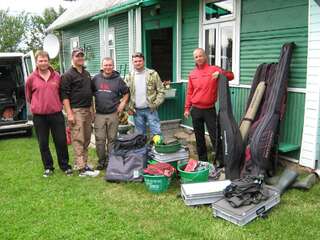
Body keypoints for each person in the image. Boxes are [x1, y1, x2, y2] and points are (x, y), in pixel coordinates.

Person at [25, 50, 72, 177]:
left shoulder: (57, 76)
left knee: (61, 141)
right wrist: (39, 105)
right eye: (40, 60)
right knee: (43, 142)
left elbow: (61, 94)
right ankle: (48, 167)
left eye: (45, 60)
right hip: (39, 117)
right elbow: (29, 96)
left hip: (56, 114)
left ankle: (65, 166)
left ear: (48, 61)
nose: (43, 63)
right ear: (37, 62)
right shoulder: (31, 78)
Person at [184, 48, 234, 163]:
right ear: (194, 59)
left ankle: (221, 161)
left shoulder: (214, 69)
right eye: (196, 57)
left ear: (205, 56)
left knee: (215, 136)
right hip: (195, 110)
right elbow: (190, 92)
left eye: (200, 56)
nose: (198, 58)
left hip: (209, 110)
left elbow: (231, 76)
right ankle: (203, 161)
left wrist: (221, 73)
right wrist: (187, 108)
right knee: (199, 138)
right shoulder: (192, 74)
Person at [60, 48, 99, 177]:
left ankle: (84, 164)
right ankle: (81, 168)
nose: (80, 58)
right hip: (76, 111)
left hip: (87, 110)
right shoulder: (67, 75)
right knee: (78, 138)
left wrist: (92, 110)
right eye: (77, 56)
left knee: (87, 138)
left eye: (82, 56)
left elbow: (91, 93)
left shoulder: (86, 74)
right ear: (73, 58)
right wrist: (69, 113)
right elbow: (64, 96)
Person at [92, 57, 129, 170]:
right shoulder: (95, 79)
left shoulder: (118, 79)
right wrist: (91, 110)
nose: (108, 67)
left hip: (113, 113)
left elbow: (126, 92)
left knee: (112, 139)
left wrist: (122, 104)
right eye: (105, 65)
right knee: (100, 139)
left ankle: (111, 161)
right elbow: (89, 94)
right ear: (102, 66)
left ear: (113, 66)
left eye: (110, 65)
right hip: (99, 114)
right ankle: (101, 161)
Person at [125, 52, 165, 137]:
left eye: (140, 61)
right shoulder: (129, 76)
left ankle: (157, 148)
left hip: (150, 109)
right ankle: (142, 149)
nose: (138, 63)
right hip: (136, 111)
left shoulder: (153, 74)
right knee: (139, 134)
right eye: (135, 61)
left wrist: (155, 104)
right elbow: (125, 94)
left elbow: (161, 91)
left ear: (143, 61)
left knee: (156, 132)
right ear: (133, 63)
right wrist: (128, 107)